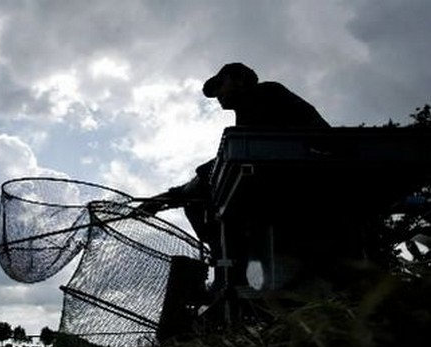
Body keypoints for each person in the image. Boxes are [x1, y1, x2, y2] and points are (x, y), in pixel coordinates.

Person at [139, 62, 330, 288]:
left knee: (204, 196)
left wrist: (168, 197)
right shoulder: (248, 116)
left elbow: (246, 154)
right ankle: (229, 264)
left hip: (304, 177)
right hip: (279, 180)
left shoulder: (267, 94)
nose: (218, 93)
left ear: (240, 78)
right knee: (207, 196)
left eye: (221, 84)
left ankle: (230, 270)